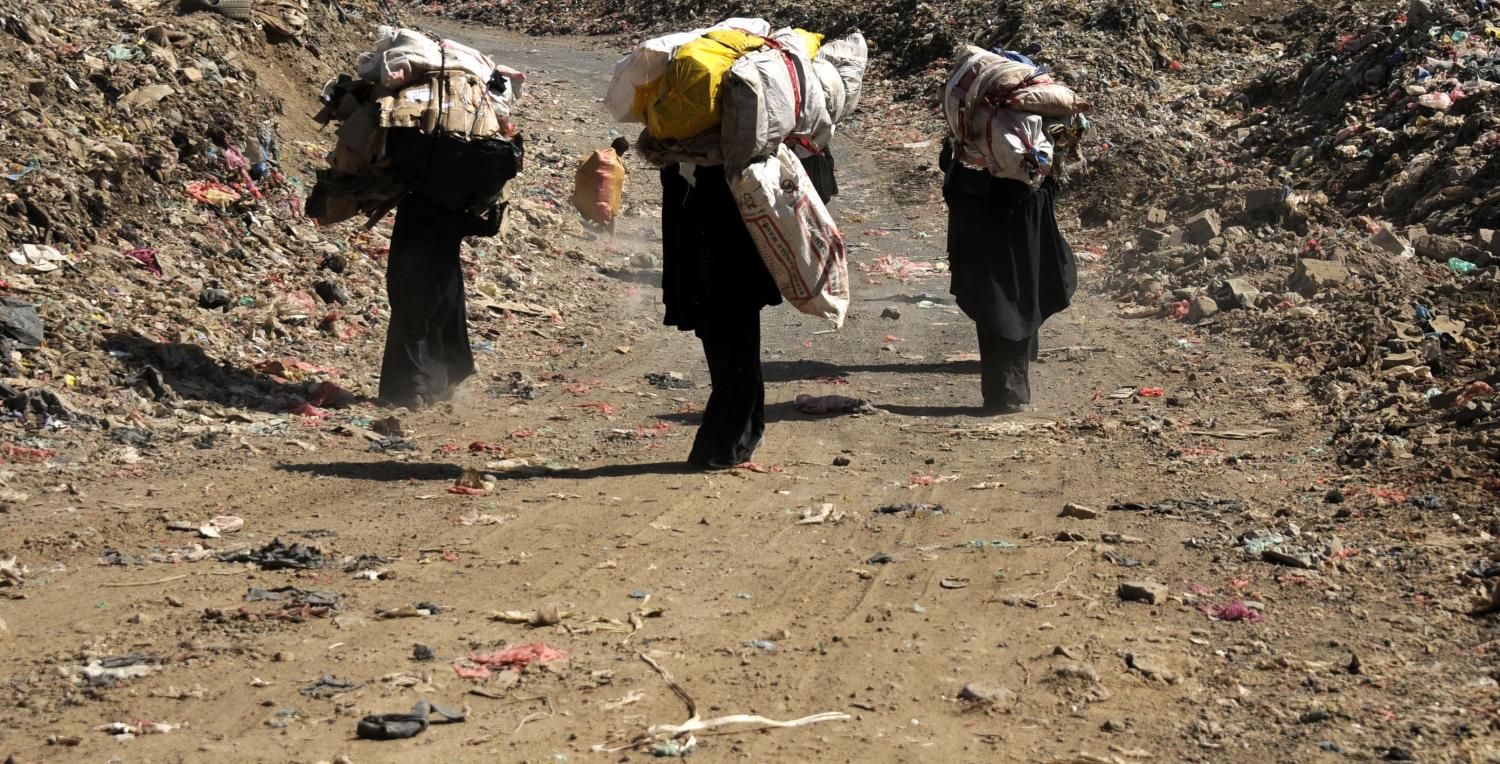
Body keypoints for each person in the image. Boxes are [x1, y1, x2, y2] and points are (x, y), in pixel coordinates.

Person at [940, 138, 1076, 413]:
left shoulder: (978, 202)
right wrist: (1056, 165)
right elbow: (1049, 190)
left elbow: (952, 188)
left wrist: (952, 156)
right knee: (1020, 334)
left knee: (991, 334)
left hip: (990, 287)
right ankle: (1014, 393)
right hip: (1021, 288)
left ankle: (996, 396)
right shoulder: (1030, 205)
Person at [660, 162, 782, 468]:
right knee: (737, 358)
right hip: (725, 271)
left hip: (708, 274)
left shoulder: (681, 162)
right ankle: (727, 443)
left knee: (732, 358)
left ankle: (737, 437)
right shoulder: (716, 165)